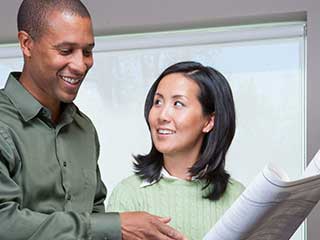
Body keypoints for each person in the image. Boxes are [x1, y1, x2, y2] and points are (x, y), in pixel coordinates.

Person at [0, 1, 187, 240]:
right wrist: (113, 227)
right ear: (27, 44)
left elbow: (95, 212)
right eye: (66, 51)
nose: (81, 65)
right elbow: (4, 223)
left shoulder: (83, 129)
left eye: (87, 51)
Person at [107, 61, 245, 240]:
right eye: (158, 102)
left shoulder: (239, 198)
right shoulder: (128, 194)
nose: (162, 115)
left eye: (178, 104)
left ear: (209, 121)